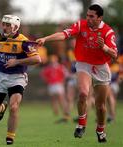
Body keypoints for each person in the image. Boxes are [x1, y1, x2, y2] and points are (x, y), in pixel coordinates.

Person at [36, 4, 118, 143]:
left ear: (100, 18)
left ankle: (101, 130)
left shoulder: (107, 32)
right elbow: (64, 34)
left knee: (100, 106)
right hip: (83, 64)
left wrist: (103, 46)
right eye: (87, 15)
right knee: (83, 93)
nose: (88, 18)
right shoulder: (81, 25)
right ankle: (81, 124)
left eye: (92, 16)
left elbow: (114, 54)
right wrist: (46, 39)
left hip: (101, 67)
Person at [0, 14, 41, 145]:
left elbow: (37, 59)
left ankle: (10, 138)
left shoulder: (23, 42)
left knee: (14, 107)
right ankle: (2, 107)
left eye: (8, 25)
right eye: (3, 24)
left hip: (17, 78)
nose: (4, 27)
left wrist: (17, 61)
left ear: (15, 27)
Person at [40, 55, 70, 123]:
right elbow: (43, 75)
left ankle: (65, 112)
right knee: (53, 99)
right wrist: (47, 80)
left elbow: (65, 75)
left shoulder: (60, 67)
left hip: (58, 84)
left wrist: (62, 81)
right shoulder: (48, 68)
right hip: (51, 84)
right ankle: (56, 111)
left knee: (61, 98)